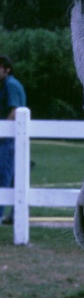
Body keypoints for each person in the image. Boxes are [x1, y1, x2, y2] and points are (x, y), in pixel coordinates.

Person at [0, 55, 26, 224]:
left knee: (3, 175)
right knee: (17, 178)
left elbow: (14, 111)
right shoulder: (6, 85)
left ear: (7, 69)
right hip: (9, 139)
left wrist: (2, 133)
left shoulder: (11, 85)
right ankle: (16, 214)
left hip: (8, 139)